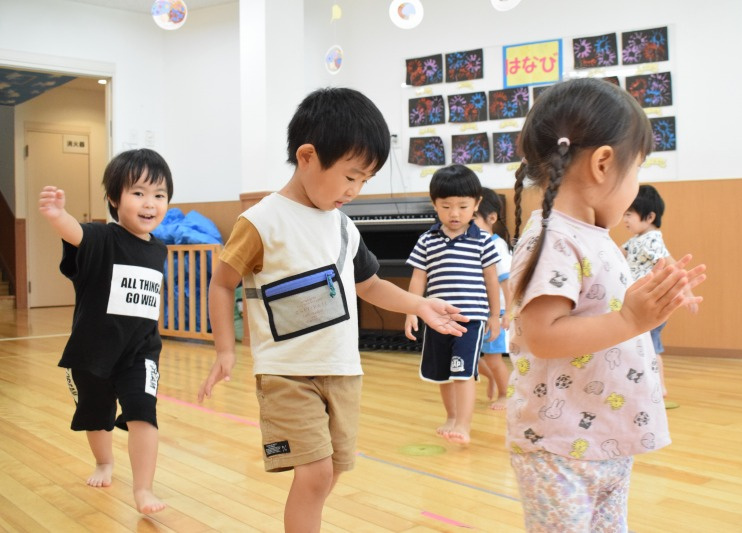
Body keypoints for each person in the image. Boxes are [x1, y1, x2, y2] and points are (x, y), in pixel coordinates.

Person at [196, 87, 468, 533]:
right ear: (307, 157)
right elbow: (222, 282)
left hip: (343, 371)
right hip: (287, 373)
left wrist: (418, 303)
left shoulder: (343, 226)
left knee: (334, 470)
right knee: (316, 473)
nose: (354, 191)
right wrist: (225, 350)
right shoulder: (261, 222)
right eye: (350, 176)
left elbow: (370, 285)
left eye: (364, 181)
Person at [506, 78, 706, 531]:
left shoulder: (594, 237)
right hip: (558, 444)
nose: (636, 187)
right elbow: (542, 335)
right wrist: (631, 318)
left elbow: (605, 307)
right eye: (637, 172)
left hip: (602, 435)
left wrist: (655, 297)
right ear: (602, 164)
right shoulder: (554, 239)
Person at [38, 148, 174, 514]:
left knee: (143, 412)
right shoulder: (103, 238)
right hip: (93, 352)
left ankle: (143, 489)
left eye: (159, 194)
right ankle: (104, 461)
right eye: (138, 193)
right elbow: (76, 234)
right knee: (96, 415)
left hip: (141, 352)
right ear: (114, 198)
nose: (150, 203)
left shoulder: (159, 250)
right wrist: (58, 216)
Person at [404, 165, 501, 444]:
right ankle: (451, 416)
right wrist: (412, 310)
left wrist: (495, 316)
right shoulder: (427, 240)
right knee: (443, 375)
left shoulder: (483, 241)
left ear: (476, 204)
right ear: (434, 204)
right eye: (446, 207)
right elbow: (418, 278)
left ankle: (463, 424)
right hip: (437, 319)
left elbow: (491, 280)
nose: (454, 213)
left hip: (470, 319)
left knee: (462, 372)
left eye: (462, 206)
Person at [622, 184, 698, 406]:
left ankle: (660, 387)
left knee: (651, 346)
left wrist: (687, 293)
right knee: (642, 345)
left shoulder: (652, 239)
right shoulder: (635, 240)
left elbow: (673, 266)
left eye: (629, 214)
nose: (625, 219)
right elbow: (618, 254)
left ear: (650, 216)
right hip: (641, 303)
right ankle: (646, 386)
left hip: (651, 304)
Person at [473, 186, 512, 410]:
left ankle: (505, 394)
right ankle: (491, 378)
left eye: (474, 219)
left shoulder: (497, 245)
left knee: (494, 359)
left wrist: (509, 313)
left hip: (495, 313)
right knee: (472, 356)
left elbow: (506, 281)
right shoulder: (472, 245)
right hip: (477, 311)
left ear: (492, 218)